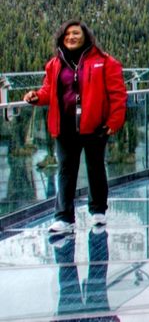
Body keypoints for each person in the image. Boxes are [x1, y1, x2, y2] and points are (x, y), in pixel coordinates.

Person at [24, 21, 127, 234]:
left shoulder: (105, 62)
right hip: (65, 126)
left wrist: (114, 121)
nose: (72, 37)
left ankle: (98, 211)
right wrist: (36, 97)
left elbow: (118, 94)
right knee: (65, 171)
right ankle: (63, 218)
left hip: (95, 125)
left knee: (96, 168)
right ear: (62, 38)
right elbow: (48, 91)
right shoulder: (54, 64)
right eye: (67, 34)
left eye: (76, 33)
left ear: (85, 36)